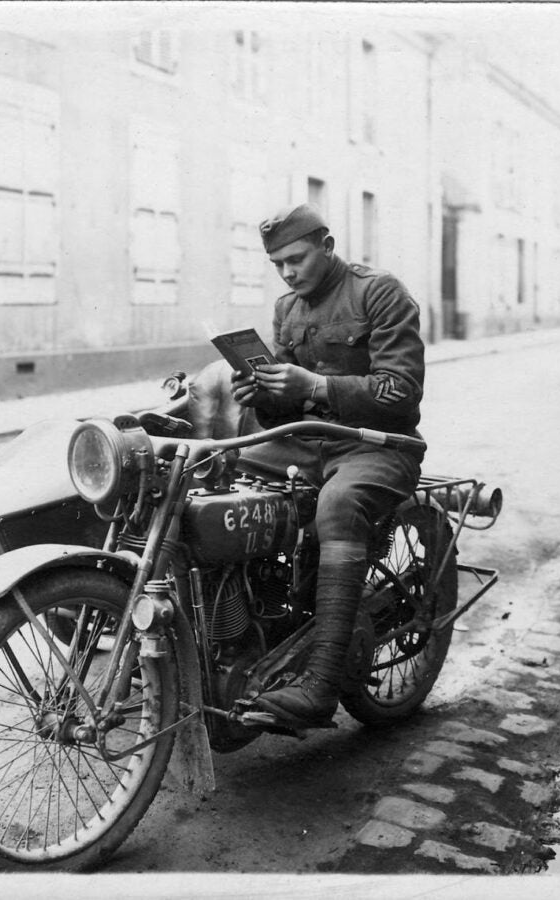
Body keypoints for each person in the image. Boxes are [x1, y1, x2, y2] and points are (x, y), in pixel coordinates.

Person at [230, 203, 426, 726]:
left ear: (328, 246)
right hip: (307, 444)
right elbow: (285, 407)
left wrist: (314, 385)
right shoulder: (286, 308)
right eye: (278, 265)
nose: (288, 273)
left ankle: (319, 687)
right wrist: (262, 392)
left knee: (337, 509)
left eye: (295, 259)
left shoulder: (378, 292)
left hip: (378, 445)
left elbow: (401, 391)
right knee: (221, 488)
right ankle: (244, 636)